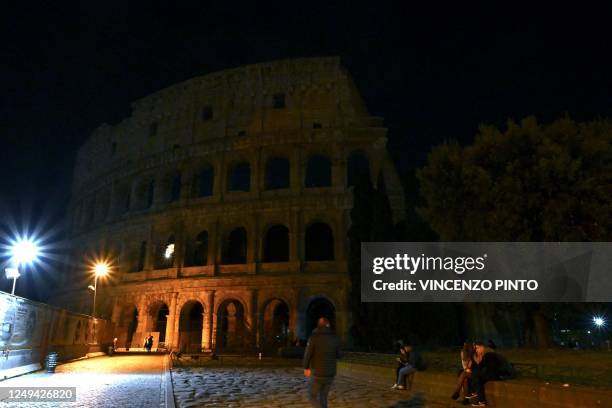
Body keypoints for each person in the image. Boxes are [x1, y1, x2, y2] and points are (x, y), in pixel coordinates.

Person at [303, 317, 341, 408]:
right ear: (328, 325)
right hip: (330, 373)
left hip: (317, 372)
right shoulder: (335, 338)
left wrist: (306, 367)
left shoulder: (313, 337)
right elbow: (339, 355)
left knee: (312, 396)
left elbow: (308, 354)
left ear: (318, 325)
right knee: (324, 397)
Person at [470, 341, 514, 406]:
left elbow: (485, 367)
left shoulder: (488, 354)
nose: (476, 350)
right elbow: (482, 367)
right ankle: (479, 398)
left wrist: (479, 358)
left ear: (482, 347)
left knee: (476, 376)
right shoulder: (488, 353)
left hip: (502, 375)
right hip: (501, 373)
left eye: (477, 348)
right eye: (475, 348)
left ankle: (477, 395)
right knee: (478, 377)